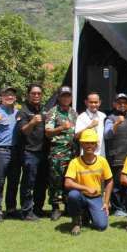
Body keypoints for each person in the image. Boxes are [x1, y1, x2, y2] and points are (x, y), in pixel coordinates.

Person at [64, 129, 113, 236]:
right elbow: (67, 183)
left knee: (101, 226)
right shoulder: (75, 162)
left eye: (92, 143)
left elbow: (109, 181)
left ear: (96, 145)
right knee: (73, 195)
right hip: (81, 196)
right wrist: (86, 188)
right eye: (86, 143)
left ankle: (87, 213)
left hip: (95, 197)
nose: (89, 146)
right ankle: (76, 222)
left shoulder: (102, 161)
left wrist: (105, 201)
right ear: (81, 144)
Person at [44, 86, 78, 221]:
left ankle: (68, 206)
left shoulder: (73, 112)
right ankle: (55, 207)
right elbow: (47, 132)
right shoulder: (53, 112)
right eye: (63, 96)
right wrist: (61, 127)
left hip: (71, 152)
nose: (66, 98)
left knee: (69, 179)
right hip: (58, 153)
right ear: (58, 97)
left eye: (68, 96)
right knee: (56, 180)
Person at [0, 86, 21, 223]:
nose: (9, 97)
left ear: (15, 98)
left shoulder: (18, 113)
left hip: (16, 150)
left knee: (13, 181)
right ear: (1, 97)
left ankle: (11, 209)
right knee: (0, 181)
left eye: (12, 95)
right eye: (6, 95)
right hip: (1, 150)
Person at [17, 83, 47, 221]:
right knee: (28, 182)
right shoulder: (23, 111)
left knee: (41, 183)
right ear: (28, 94)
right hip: (30, 152)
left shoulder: (44, 109)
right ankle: (26, 211)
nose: (36, 96)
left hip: (44, 152)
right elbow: (24, 131)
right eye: (33, 93)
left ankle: (38, 209)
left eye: (39, 93)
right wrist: (33, 122)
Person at [103, 93, 127, 217]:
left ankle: (126, 207)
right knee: (116, 185)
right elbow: (107, 134)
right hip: (115, 157)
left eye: (124, 103)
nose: (122, 105)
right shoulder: (110, 118)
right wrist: (116, 124)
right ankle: (117, 208)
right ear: (114, 104)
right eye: (119, 102)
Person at [74, 92, 106, 157]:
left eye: (96, 102)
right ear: (86, 102)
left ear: (99, 102)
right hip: (86, 156)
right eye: (91, 102)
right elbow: (76, 136)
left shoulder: (103, 116)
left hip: (101, 154)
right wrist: (89, 126)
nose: (93, 104)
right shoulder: (81, 117)